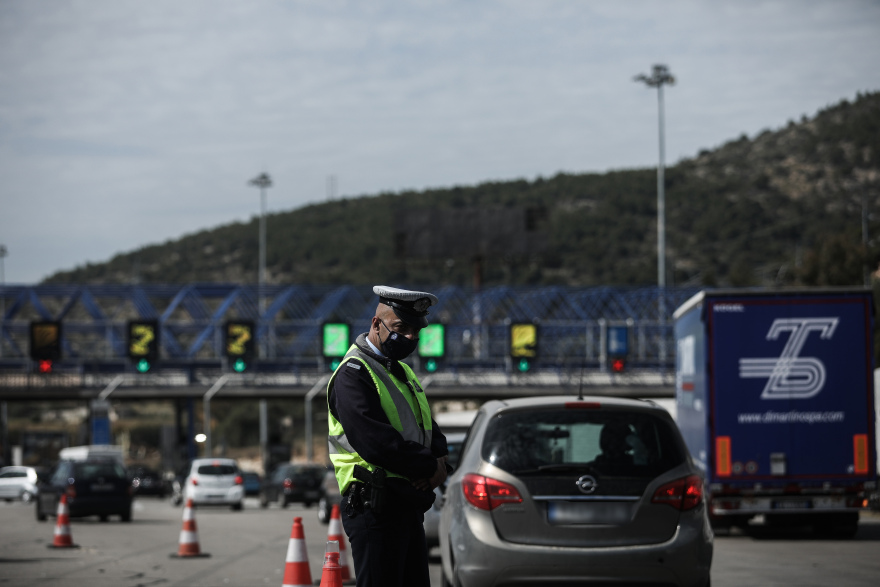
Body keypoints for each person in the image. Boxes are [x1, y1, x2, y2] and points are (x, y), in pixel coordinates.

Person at [327, 285, 451, 587]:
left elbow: (426, 426)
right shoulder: (353, 373)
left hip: (406, 503)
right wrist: (427, 467)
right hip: (375, 506)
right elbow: (375, 442)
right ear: (375, 324)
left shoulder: (403, 372)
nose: (410, 336)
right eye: (400, 327)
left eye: (415, 330)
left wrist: (441, 462)